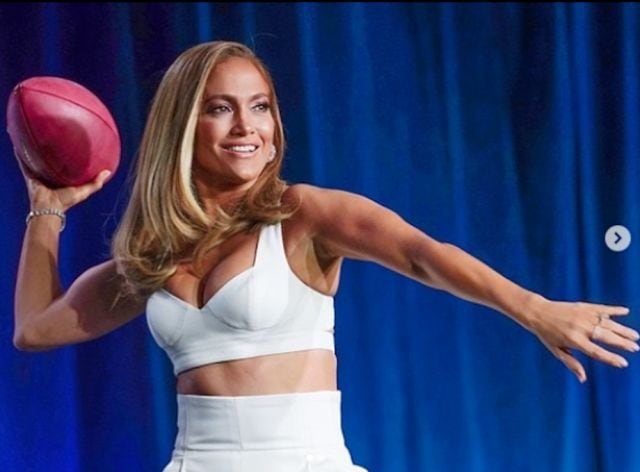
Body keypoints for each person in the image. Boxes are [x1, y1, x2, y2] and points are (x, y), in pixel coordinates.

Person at [13, 40, 639, 471]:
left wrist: (536, 310)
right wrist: (48, 208)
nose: (246, 127)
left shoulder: (304, 215)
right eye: (220, 109)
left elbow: (425, 255)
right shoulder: (151, 255)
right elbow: (36, 328)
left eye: (259, 106)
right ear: (182, 126)